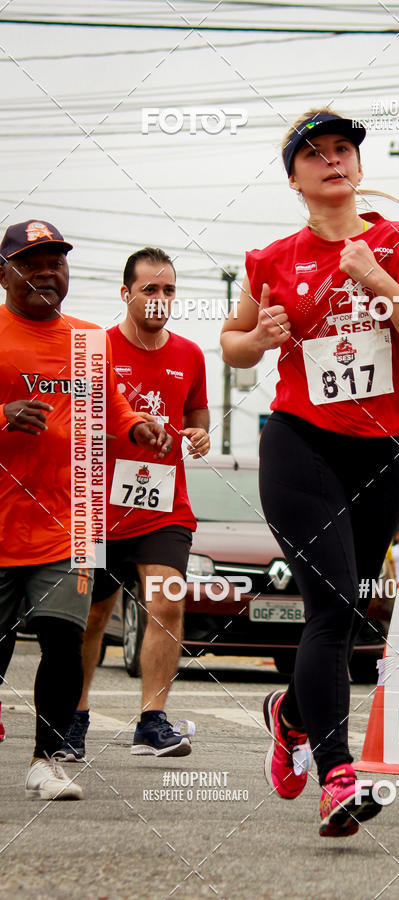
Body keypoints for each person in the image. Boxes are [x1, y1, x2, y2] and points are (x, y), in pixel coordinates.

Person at [220, 109, 399, 837]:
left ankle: (287, 712)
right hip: (300, 445)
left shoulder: (395, 241)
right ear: (294, 178)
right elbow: (232, 343)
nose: (332, 160)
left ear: (356, 166)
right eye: (314, 154)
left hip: (378, 449)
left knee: (350, 609)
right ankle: (338, 775)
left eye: (343, 149)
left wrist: (377, 276)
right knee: (327, 605)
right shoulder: (271, 259)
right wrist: (256, 337)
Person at [0, 221, 171, 799]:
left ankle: (47, 760)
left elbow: (116, 406)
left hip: (69, 522)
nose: (47, 272)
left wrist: (139, 426)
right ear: (3, 274)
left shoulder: (88, 340)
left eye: (56, 262)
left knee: (62, 640)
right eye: (31, 262)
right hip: (1, 524)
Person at [56, 247, 210, 763]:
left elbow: (198, 413)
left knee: (166, 602)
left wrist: (200, 435)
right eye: (150, 289)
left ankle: (151, 721)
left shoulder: (189, 353)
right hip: (95, 508)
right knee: (92, 616)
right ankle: (73, 720)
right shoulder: (92, 348)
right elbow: (68, 420)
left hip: (164, 507)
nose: (160, 299)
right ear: (126, 294)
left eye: (169, 290)